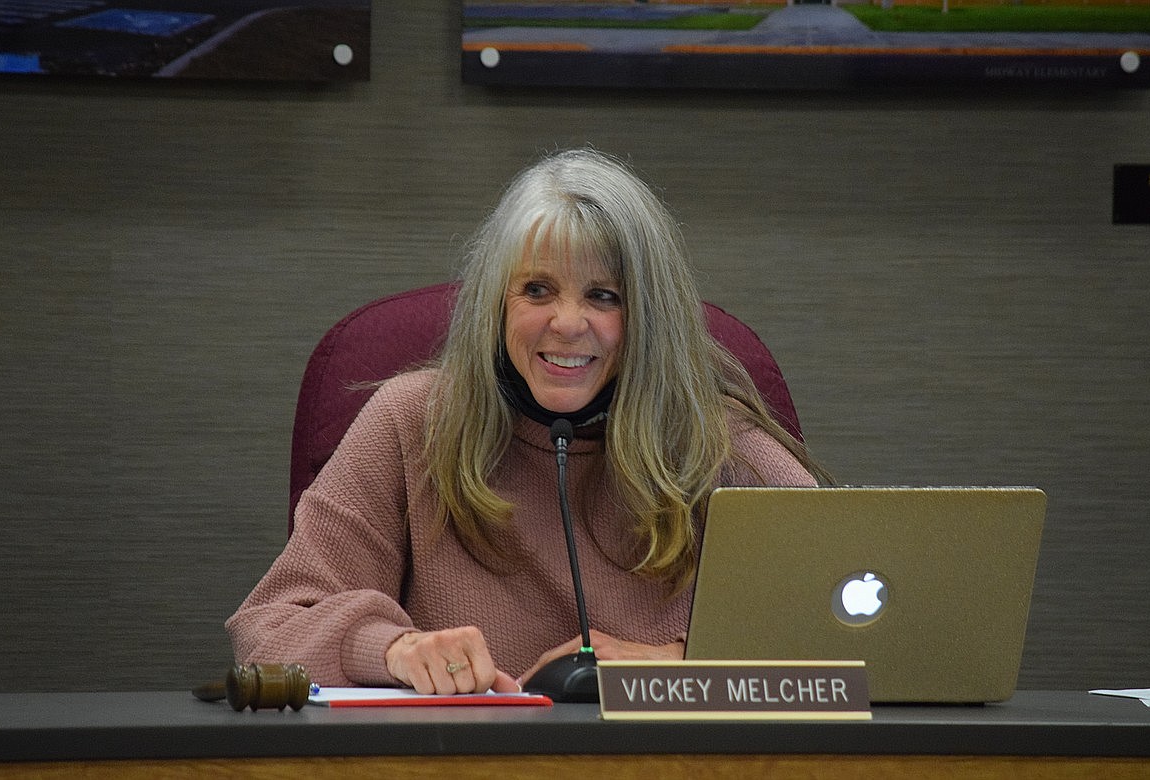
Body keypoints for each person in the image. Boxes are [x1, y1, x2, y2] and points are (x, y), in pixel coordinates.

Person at [226, 148, 830, 695]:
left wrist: (681, 662)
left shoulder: (716, 439)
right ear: (496, 303)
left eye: (604, 296)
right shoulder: (412, 420)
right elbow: (269, 628)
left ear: (651, 317)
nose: (567, 324)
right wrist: (392, 649)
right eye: (537, 290)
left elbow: (859, 623)